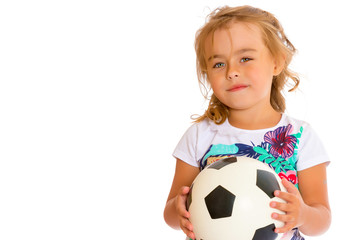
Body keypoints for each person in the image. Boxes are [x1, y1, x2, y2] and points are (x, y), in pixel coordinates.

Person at [163, 5, 331, 240]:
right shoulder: (199, 135)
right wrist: (178, 211)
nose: (232, 71)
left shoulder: (301, 136)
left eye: (245, 58)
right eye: (219, 64)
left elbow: (321, 219)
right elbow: (171, 214)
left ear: (277, 62)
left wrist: (302, 214)